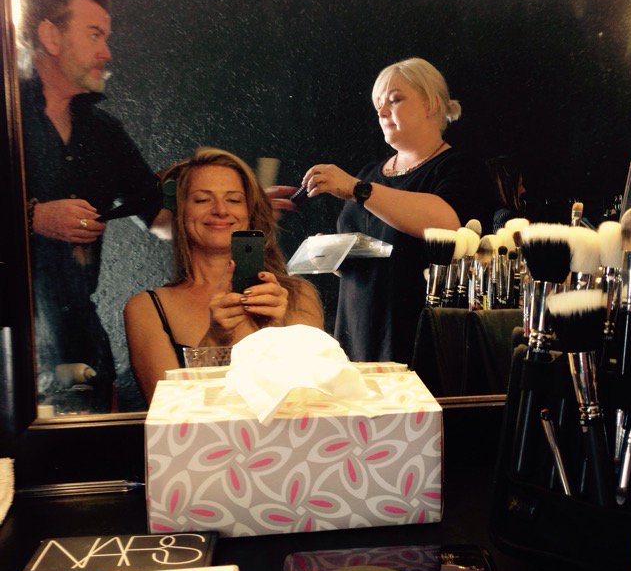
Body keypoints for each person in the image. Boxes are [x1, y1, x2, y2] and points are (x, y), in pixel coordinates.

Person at [15, 0, 168, 412]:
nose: (107, 52)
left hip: (82, 344)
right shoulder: (6, 114)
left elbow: (160, 220)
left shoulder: (104, 132)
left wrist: (231, 211)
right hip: (12, 348)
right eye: (95, 35)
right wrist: (33, 216)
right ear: (50, 36)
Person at [302, 57, 493, 363]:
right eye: (378, 104)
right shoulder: (369, 174)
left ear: (431, 104)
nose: (381, 113)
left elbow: (445, 222)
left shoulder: (459, 168)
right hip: (358, 335)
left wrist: (357, 189)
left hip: (415, 341)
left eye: (394, 100)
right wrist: (334, 255)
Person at [124, 147, 323, 403]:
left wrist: (275, 333)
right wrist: (215, 339)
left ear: (250, 212)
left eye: (234, 200)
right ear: (180, 211)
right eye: (202, 200)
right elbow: (168, 410)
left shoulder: (295, 295)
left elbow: (316, 398)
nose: (220, 210)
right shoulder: (146, 309)